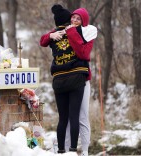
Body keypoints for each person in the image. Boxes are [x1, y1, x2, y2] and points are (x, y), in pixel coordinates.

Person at [40, 5, 97, 155]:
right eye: (73, 17)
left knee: (82, 117)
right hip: (65, 78)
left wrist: (71, 32)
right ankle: (64, 151)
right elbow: (43, 40)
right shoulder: (63, 30)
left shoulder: (87, 33)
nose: (75, 20)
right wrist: (51, 36)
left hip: (82, 80)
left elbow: (83, 54)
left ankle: (84, 151)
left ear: (83, 21)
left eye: (79, 19)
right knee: (67, 118)